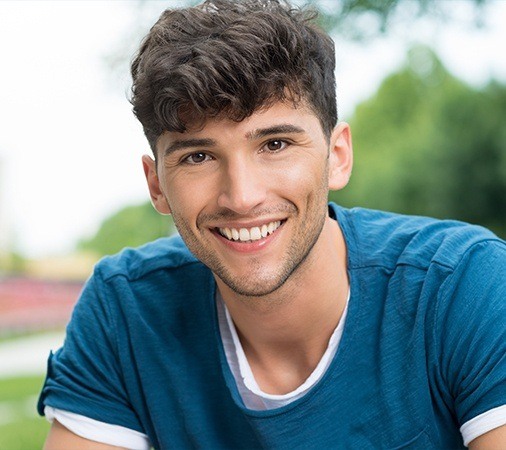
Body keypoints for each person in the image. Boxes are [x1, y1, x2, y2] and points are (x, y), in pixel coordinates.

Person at [38, 0, 506, 448]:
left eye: (276, 144)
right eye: (198, 156)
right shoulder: (126, 310)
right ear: (156, 184)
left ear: (336, 156)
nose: (242, 197)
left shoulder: (464, 286)